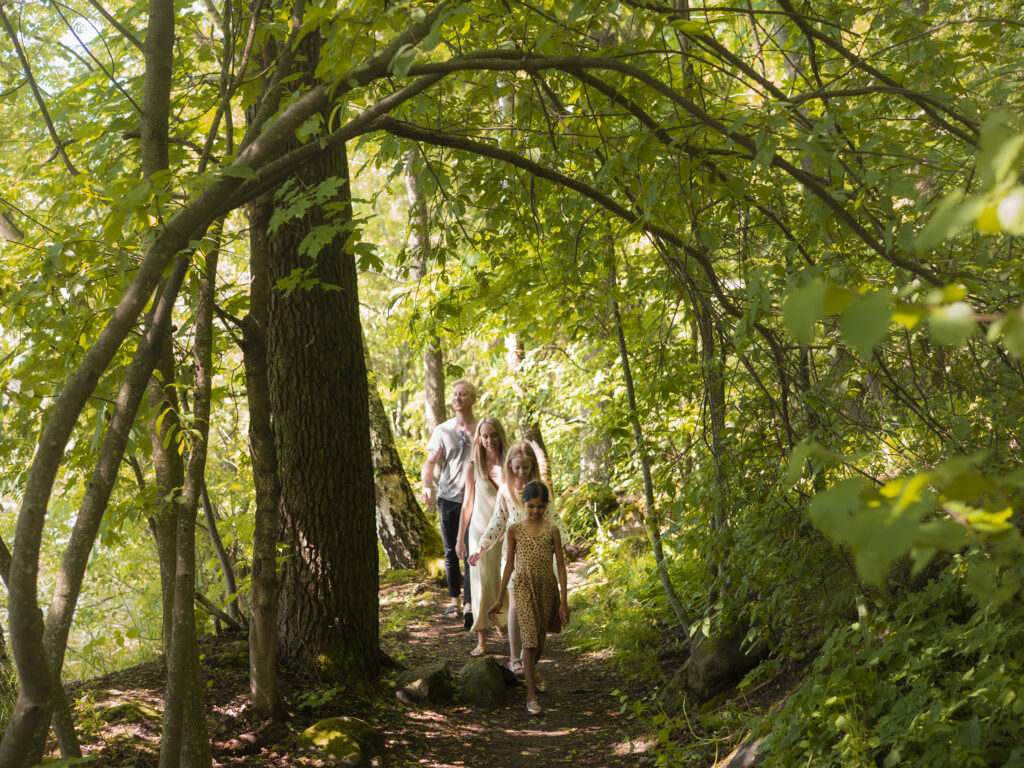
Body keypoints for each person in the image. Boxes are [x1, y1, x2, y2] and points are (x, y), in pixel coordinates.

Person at [469, 441, 566, 674]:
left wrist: (567, 543)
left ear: (532, 466)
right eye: (517, 468)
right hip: (514, 556)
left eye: (526, 468)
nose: (521, 473)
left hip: (541, 556)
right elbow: (497, 522)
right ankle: (514, 658)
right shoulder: (505, 490)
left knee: (539, 605)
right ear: (509, 466)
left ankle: (529, 652)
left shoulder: (541, 490)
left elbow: (555, 519)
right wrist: (482, 547)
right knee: (513, 605)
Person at [488, 480, 569, 716]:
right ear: (523, 504)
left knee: (538, 644)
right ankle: (531, 697)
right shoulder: (514, 530)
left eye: (540, 507)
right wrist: (499, 597)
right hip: (522, 587)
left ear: (546, 507)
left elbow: (561, 567)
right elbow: (509, 566)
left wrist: (564, 601)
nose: (535, 511)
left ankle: (528, 667)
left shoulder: (552, 530)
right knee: (530, 641)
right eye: (531, 506)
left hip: (546, 588)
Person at [421, 379, 478, 617]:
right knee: (450, 551)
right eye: (455, 395)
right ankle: (455, 600)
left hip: (475, 499)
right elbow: (431, 461)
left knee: (471, 551)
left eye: (463, 395)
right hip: (448, 498)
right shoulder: (443, 430)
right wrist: (426, 486)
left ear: (473, 399)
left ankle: (470, 604)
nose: (457, 398)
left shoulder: (482, 427)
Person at [456, 417, 509, 655]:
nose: (489, 440)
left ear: (500, 435)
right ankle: (481, 640)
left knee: (504, 579)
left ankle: (505, 622)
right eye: (484, 436)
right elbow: (467, 504)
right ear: (479, 438)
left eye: (493, 435)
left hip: (508, 530)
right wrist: (460, 539)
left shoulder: (510, 462)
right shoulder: (473, 465)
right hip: (479, 530)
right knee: (480, 584)